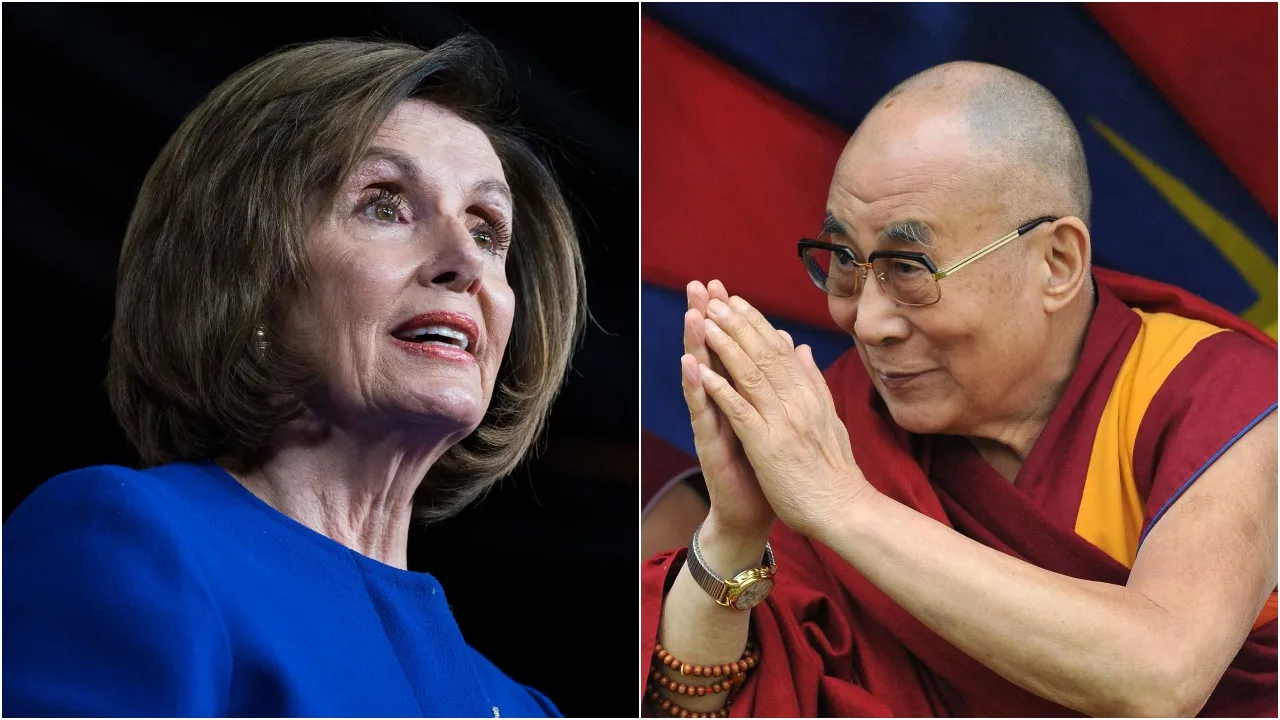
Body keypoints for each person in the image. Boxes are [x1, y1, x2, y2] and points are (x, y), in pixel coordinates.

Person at [642, 61, 1276, 717]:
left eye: (908, 269)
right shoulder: (844, 418)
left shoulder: (1223, 398)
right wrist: (735, 532)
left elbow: (1162, 674)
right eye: (845, 263)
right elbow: (698, 705)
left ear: (1056, 263)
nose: (866, 322)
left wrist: (841, 504)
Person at [4, 35, 585, 718]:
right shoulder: (128, 543)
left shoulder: (519, 707)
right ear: (247, 276)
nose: (464, 262)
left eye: (488, 230)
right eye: (385, 204)